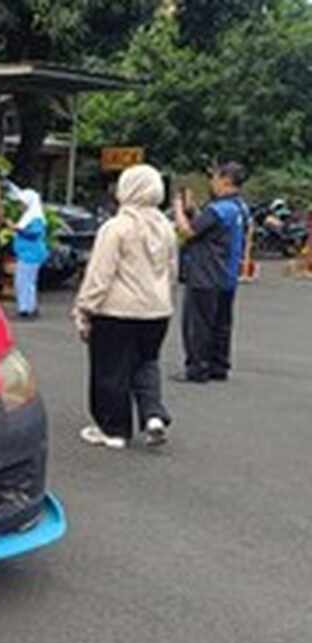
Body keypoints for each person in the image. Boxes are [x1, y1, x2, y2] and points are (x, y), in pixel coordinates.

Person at [72, 165, 178, 449]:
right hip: (157, 310)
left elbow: (100, 274)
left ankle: (114, 429)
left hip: (117, 311)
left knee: (110, 370)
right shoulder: (166, 228)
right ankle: (153, 415)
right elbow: (172, 270)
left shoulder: (116, 227)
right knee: (146, 363)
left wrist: (85, 308)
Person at [172, 162, 249, 383]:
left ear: (225, 180)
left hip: (205, 275)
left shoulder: (218, 209)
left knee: (199, 325)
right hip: (227, 275)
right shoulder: (239, 208)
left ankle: (197, 368)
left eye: (214, 178)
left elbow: (188, 231)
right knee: (221, 324)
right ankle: (218, 366)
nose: (211, 183)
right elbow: (208, 226)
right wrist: (194, 209)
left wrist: (178, 207)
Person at [11, 188, 49, 318]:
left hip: (30, 254)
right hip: (27, 253)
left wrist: (18, 230)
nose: (20, 205)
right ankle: (29, 306)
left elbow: (35, 233)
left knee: (24, 281)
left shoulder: (34, 218)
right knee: (27, 281)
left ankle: (26, 308)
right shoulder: (31, 216)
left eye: (22, 203)